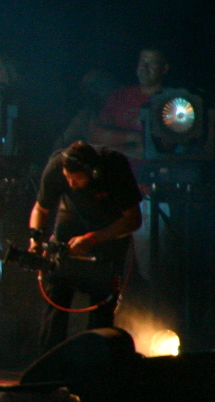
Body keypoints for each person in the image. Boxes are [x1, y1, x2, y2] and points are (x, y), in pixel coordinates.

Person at [28, 140, 143, 354]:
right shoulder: (56, 166)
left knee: (101, 311)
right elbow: (40, 210)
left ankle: (96, 364)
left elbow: (133, 219)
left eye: (78, 179)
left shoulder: (114, 166)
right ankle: (49, 362)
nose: (71, 184)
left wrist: (92, 239)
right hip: (69, 225)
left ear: (93, 173)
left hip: (109, 234)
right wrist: (35, 240)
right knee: (55, 300)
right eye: (67, 178)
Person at [90, 48, 170, 158]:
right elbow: (95, 136)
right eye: (142, 62)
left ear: (164, 68)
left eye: (152, 63)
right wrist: (134, 137)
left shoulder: (172, 102)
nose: (144, 68)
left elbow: (166, 147)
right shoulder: (121, 96)